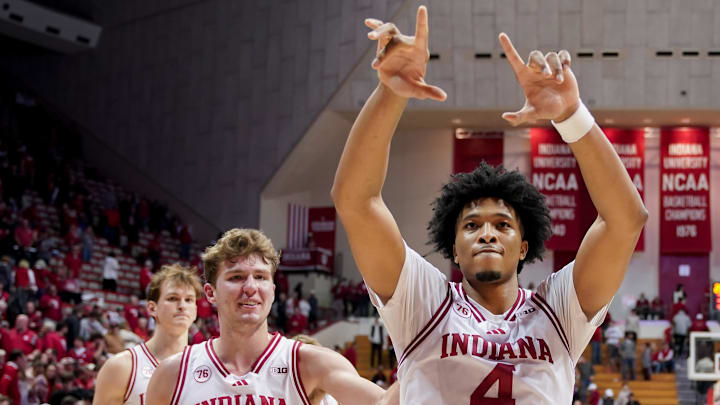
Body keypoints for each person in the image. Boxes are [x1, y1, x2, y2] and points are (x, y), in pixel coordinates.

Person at [330, 5, 647, 403]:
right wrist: (390, 93)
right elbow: (355, 201)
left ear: (524, 247)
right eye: (471, 226)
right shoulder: (424, 303)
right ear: (455, 250)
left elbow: (625, 221)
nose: (487, 234)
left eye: (502, 224)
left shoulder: (559, 310)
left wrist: (571, 116)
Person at [145, 228, 384, 405]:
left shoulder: (312, 363)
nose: (250, 287)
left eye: (260, 277)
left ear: (272, 290)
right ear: (210, 293)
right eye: (236, 277)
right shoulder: (173, 374)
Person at [93, 264, 202, 405]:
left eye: (189, 300)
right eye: (173, 298)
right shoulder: (121, 367)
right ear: (152, 308)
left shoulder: (205, 368)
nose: (182, 305)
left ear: (195, 310)